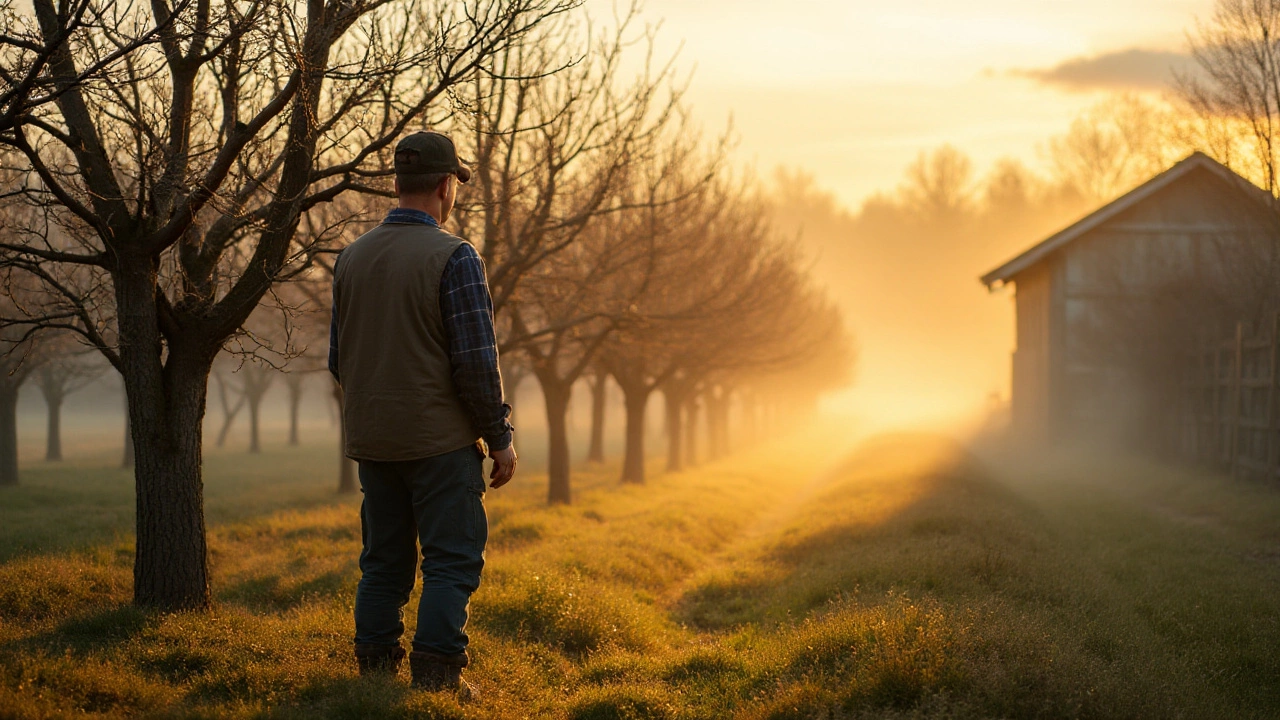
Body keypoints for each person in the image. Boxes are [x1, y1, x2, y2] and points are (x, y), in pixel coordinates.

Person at [329, 130, 517, 698]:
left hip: (374, 441)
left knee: (382, 563)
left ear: (396, 183)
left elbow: (340, 359)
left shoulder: (350, 257)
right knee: (451, 561)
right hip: (440, 442)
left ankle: (375, 678)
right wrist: (499, 436)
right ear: (445, 186)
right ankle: (436, 679)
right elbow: (476, 363)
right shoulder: (454, 256)